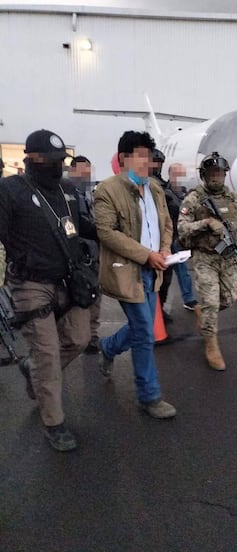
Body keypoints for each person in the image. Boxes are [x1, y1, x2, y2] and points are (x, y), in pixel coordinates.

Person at [0, 129, 96, 452]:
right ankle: (54, 422)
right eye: (53, 161)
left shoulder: (67, 191)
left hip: (67, 282)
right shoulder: (9, 191)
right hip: (30, 285)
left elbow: (84, 228)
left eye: (61, 161)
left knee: (80, 338)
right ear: (33, 159)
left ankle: (33, 370)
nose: (59, 167)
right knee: (48, 354)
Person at [94, 130, 176, 419]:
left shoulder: (154, 189)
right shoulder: (107, 189)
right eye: (139, 156)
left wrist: (164, 249)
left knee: (142, 329)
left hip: (154, 270)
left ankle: (107, 347)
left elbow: (166, 223)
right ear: (123, 159)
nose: (146, 163)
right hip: (129, 271)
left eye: (148, 157)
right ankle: (149, 395)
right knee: (144, 333)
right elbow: (105, 232)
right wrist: (146, 255)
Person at [177, 151, 237, 371]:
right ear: (204, 175)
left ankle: (203, 313)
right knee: (212, 303)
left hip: (229, 257)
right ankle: (211, 344)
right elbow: (182, 228)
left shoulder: (235, 199)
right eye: (213, 173)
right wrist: (205, 223)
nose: (217, 177)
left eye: (221, 173)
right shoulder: (193, 199)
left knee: (229, 299)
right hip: (205, 258)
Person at [69, 155, 102, 354]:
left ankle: (92, 336)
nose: (86, 174)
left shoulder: (87, 192)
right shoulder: (68, 193)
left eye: (88, 170)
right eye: (83, 170)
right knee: (82, 296)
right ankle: (83, 336)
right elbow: (80, 224)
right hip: (80, 254)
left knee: (95, 295)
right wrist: (103, 231)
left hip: (92, 252)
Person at [159, 163, 197, 320]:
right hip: (168, 239)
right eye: (177, 174)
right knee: (164, 278)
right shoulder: (165, 193)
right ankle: (160, 309)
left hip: (180, 240)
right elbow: (176, 210)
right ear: (170, 174)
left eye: (182, 174)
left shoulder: (184, 193)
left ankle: (189, 299)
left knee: (183, 271)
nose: (180, 178)